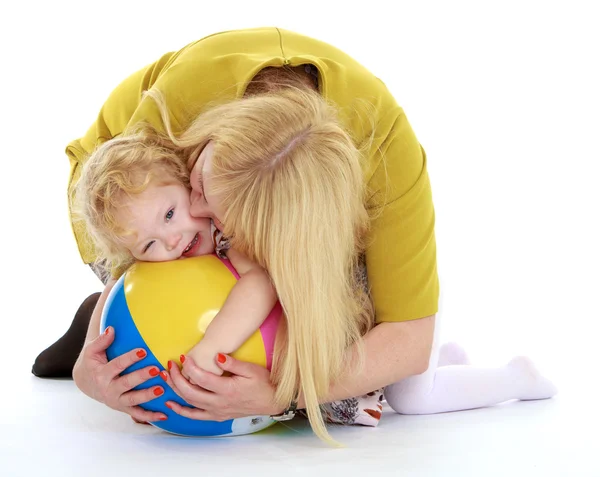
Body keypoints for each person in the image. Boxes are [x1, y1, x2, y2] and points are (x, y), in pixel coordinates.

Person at [33, 28, 556, 443]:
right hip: (120, 188)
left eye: (216, 211)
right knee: (162, 234)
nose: (195, 209)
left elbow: (408, 340)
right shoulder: (176, 126)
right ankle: (95, 312)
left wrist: (283, 393)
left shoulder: (391, 168)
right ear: (204, 143)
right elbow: (138, 224)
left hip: (300, 228)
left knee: (364, 371)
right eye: (199, 180)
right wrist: (93, 360)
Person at [72, 130, 277, 377]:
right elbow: (117, 285)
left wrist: (212, 348)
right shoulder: (150, 267)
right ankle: (80, 327)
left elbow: (261, 283)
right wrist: (85, 373)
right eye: (149, 244)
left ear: (185, 182)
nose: (172, 241)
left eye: (169, 214)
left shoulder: (223, 232)